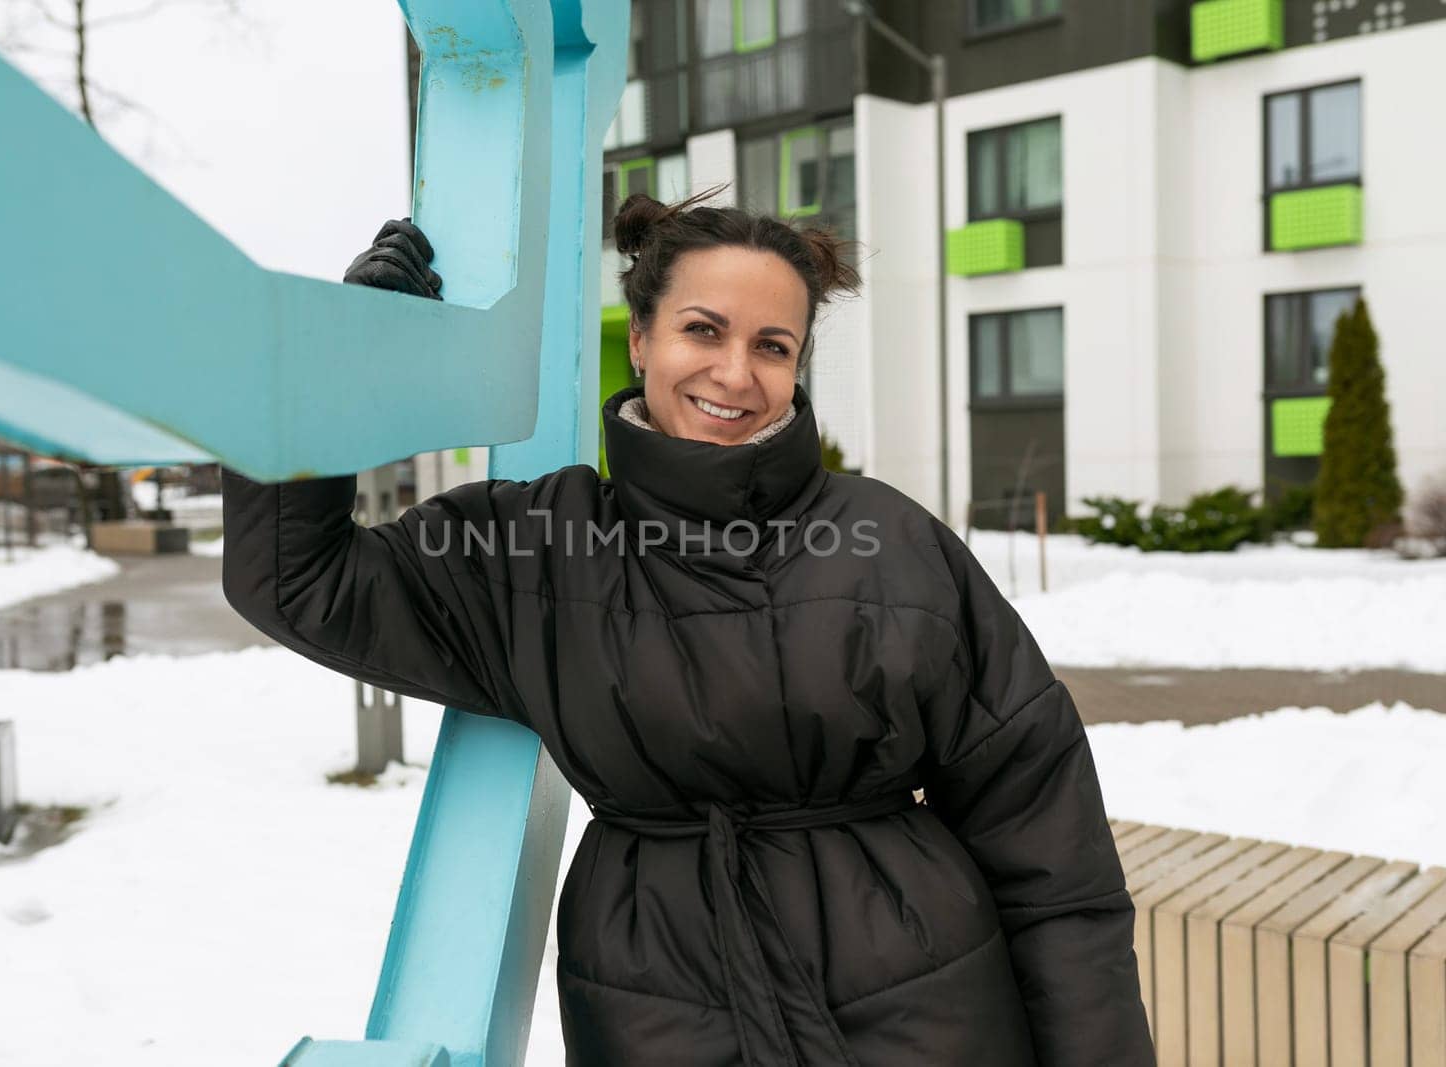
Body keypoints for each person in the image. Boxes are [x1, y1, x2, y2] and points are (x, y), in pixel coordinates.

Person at [220, 190, 1157, 1066]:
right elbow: (298, 578)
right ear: (641, 340)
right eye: (702, 330)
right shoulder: (540, 546)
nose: (735, 373)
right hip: (656, 1007)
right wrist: (333, 365)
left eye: (774, 345)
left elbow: (1051, 855)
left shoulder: (892, 541)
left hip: (929, 1008)